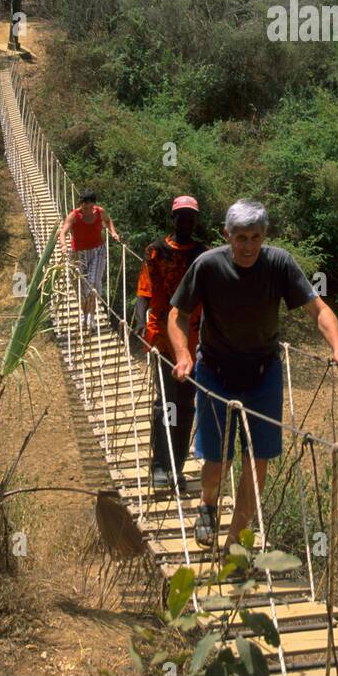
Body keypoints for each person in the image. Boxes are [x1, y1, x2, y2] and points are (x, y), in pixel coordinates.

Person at [167, 199, 338, 553]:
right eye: (241, 237)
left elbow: (318, 310)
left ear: (264, 236)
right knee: (216, 462)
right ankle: (208, 504)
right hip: (214, 371)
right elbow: (177, 315)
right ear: (228, 235)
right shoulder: (207, 266)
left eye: (255, 237)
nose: (248, 246)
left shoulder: (279, 263)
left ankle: (236, 539)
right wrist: (182, 356)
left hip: (263, 373)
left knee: (257, 461)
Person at [134, 196, 205, 493]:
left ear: (195, 220)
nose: (186, 222)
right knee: (166, 404)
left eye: (190, 217)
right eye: (181, 216)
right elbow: (143, 292)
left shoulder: (204, 255)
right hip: (162, 339)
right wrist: (138, 321)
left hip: (193, 342)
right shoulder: (155, 251)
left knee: (186, 406)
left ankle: (176, 467)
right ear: (173, 218)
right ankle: (159, 467)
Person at [58, 190, 120, 331]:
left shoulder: (99, 212)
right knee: (80, 288)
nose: (86, 209)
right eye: (83, 206)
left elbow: (108, 221)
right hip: (78, 254)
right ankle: (84, 315)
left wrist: (113, 232)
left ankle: (90, 317)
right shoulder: (74, 215)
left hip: (98, 251)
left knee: (92, 285)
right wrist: (63, 245)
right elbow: (63, 232)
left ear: (94, 205)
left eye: (89, 207)